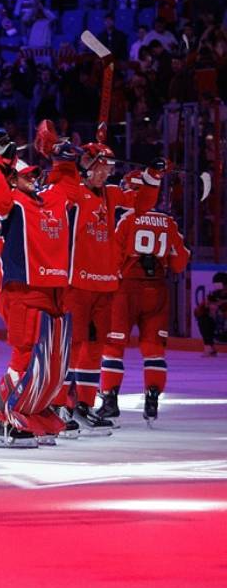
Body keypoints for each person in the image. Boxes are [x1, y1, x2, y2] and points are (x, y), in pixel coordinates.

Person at [0, 133, 81, 447]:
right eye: (26, 176)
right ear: (11, 180)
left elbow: (70, 188)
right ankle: (5, 419)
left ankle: (33, 413)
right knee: (24, 355)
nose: (34, 179)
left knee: (51, 363)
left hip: (55, 292)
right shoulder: (10, 205)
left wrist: (63, 159)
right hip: (23, 292)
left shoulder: (52, 199)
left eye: (35, 174)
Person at [48, 143, 160, 436]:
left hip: (105, 284)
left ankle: (84, 405)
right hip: (76, 285)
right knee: (71, 347)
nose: (107, 173)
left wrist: (153, 177)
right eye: (102, 168)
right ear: (86, 165)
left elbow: (142, 203)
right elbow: (52, 186)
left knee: (94, 349)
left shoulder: (110, 193)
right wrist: (64, 159)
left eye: (110, 169)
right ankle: (60, 406)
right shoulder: (72, 192)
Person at [97, 176, 189, 427]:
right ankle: (152, 398)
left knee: (113, 346)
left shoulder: (126, 219)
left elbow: (113, 256)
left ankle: (110, 401)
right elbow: (180, 262)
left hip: (125, 290)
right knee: (154, 348)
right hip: (157, 289)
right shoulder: (168, 222)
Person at [196, 272, 227, 356]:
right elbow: (198, 312)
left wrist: (222, 307)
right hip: (219, 330)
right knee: (203, 319)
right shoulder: (213, 295)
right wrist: (207, 307)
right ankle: (209, 346)